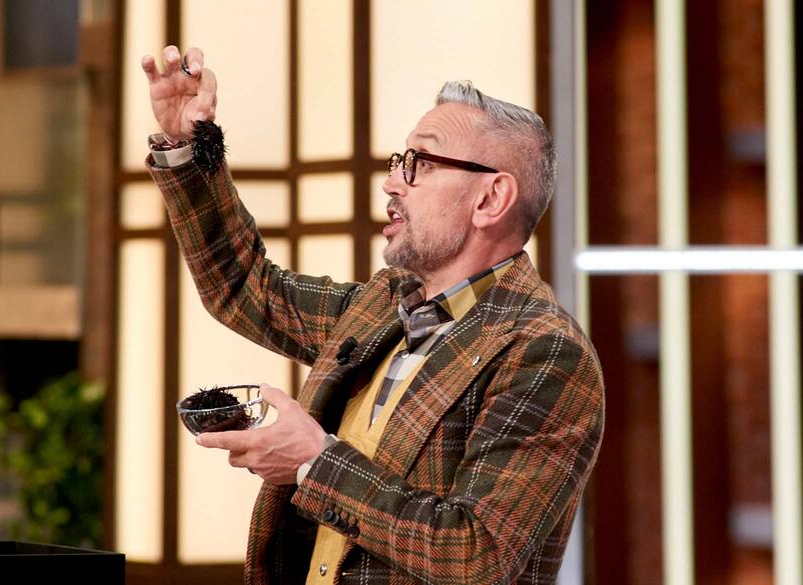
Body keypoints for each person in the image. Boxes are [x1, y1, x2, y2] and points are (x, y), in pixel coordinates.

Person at [142, 45, 604, 585]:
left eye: (421, 164)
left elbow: (476, 556)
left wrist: (314, 462)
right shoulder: (383, 305)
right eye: (399, 162)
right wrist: (187, 148)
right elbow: (246, 287)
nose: (391, 183)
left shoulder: (544, 351)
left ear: (490, 199)